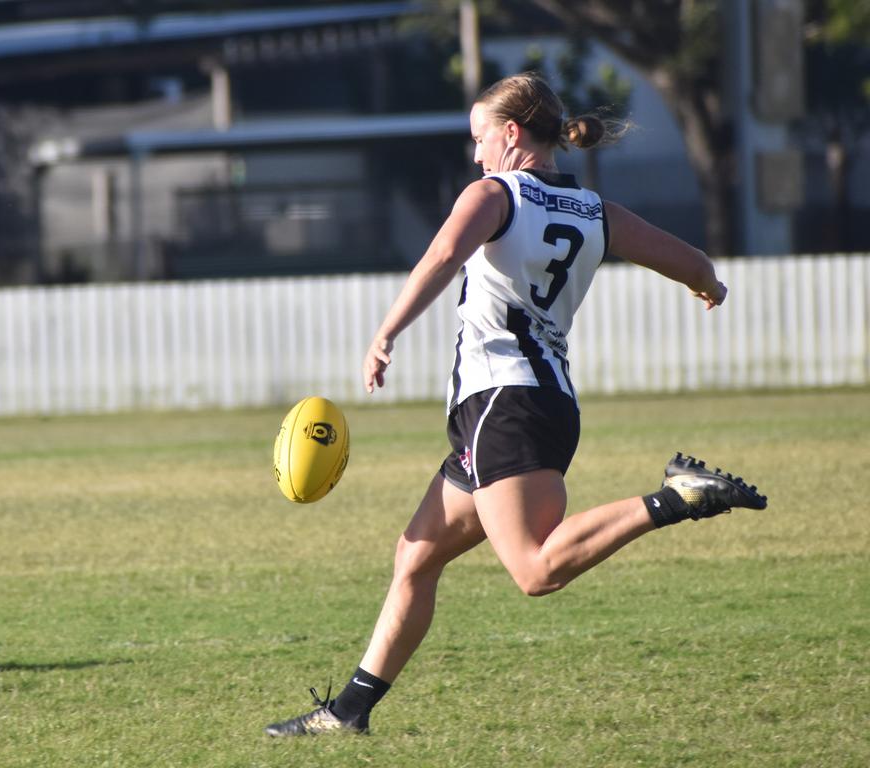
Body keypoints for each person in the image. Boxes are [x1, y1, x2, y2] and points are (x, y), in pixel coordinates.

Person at [264, 72, 767, 737]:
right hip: (539, 404)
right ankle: (348, 714)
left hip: (505, 402)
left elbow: (446, 252)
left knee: (535, 569)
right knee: (415, 557)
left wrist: (386, 334)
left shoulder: (495, 193)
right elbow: (690, 260)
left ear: (510, 134)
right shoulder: (596, 210)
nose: (475, 155)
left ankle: (674, 498)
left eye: (479, 139)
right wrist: (708, 284)